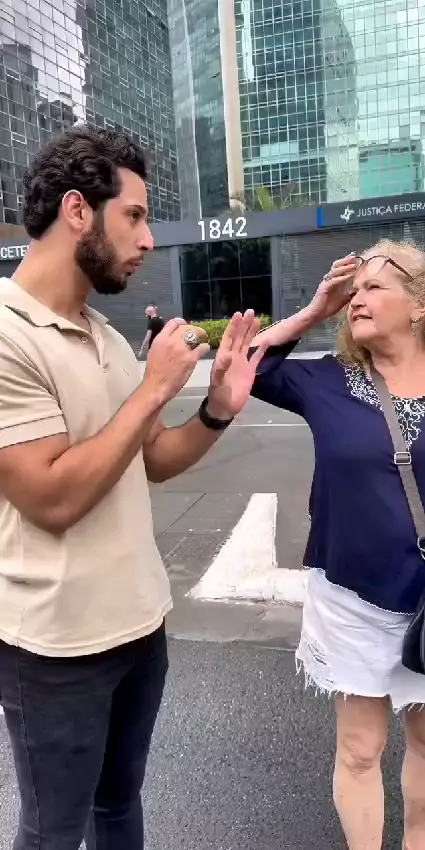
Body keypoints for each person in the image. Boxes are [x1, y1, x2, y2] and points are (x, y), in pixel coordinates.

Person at [0, 126, 267, 850]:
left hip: (139, 628)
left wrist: (215, 411)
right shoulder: (9, 334)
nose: (149, 239)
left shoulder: (107, 336)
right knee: (53, 830)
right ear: (77, 210)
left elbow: (150, 460)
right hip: (55, 649)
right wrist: (153, 390)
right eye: (136, 216)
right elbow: (51, 499)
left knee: (119, 807)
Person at [250, 240, 425, 850]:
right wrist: (313, 309)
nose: (358, 298)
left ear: (421, 302)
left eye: (374, 286)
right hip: (352, 597)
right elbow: (244, 366)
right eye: (354, 290)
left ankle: (419, 839)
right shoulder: (327, 381)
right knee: (358, 748)